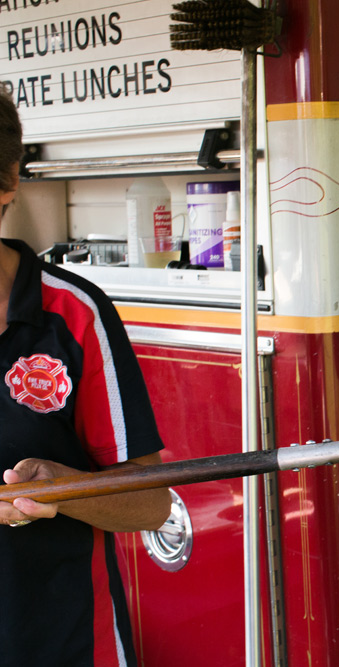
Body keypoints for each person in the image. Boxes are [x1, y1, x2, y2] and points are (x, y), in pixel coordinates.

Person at [0, 87, 171, 665]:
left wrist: (63, 488)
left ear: (7, 183)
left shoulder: (72, 315)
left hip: (65, 643)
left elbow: (151, 504)